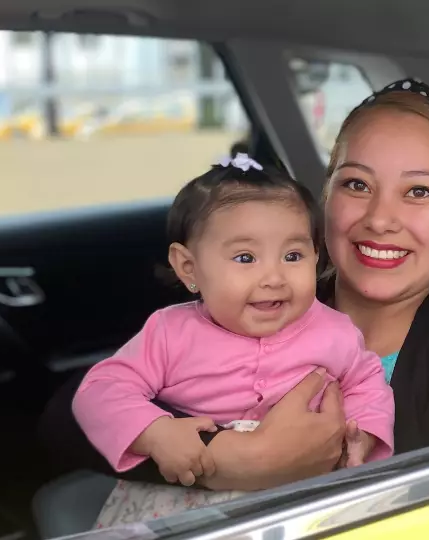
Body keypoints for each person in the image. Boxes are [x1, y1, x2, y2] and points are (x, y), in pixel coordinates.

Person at [39, 77, 429, 501]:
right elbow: (69, 413)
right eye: (357, 185)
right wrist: (230, 458)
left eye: (420, 192)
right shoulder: (259, 299)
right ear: (325, 200)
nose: (381, 218)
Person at [70, 153, 394, 527]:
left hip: (301, 500)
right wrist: (155, 433)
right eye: (245, 258)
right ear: (189, 267)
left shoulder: (335, 331)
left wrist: (363, 433)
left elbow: (367, 384)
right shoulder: (170, 332)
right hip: (187, 503)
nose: (274, 277)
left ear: (315, 256)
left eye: (292, 255)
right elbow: (100, 389)